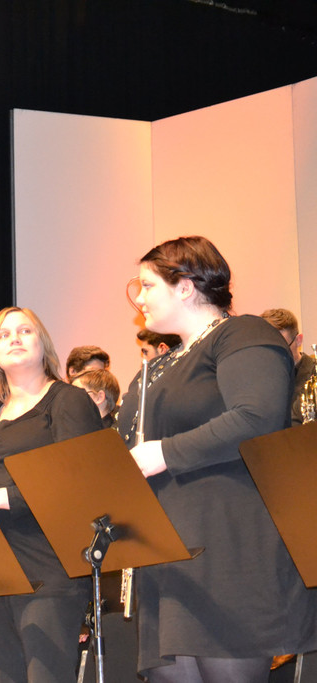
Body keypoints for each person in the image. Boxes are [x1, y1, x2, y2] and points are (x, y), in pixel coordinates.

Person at [117, 236, 317, 682]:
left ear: (185, 286)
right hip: (168, 553)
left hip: (229, 544)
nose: (139, 299)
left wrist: (164, 452)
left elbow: (256, 417)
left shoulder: (243, 334)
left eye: (147, 285)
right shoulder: (159, 366)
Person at [0, 307, 101, 682]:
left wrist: (2, 498)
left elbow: (80, 480)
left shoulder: (68, 401)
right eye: (4, 335)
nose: (14, 339)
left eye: (25, 331)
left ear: (44, 344)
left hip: (47, 566)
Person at [261, 308, 316, 425]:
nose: (273, 355)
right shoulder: (258, 378)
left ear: (298, 340)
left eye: (281, 347)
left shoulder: (314, 374)